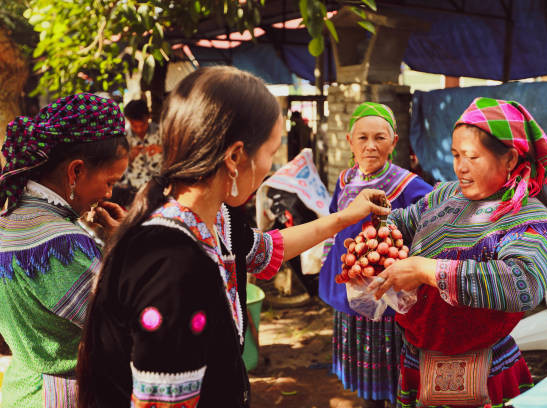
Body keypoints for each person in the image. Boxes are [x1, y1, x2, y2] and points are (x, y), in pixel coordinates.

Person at [76, 66, 390, 408]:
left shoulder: (219, 220)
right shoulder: (173, 264)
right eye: (271, 153)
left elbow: (267, 249)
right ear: (236, 156)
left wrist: (345, 217)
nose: (271, 167)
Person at [370, 97, 547, 408]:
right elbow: (403, 222)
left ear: (510, 159)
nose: (460, 167)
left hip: (486, 371)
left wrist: (426, 270)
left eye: (473, 156)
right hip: (418, 359)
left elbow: (523, 285)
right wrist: (376, 236)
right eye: (456, 155)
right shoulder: (445, 196)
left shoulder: (531, 220)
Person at [0, 93, 129, 407]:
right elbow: (125, 322)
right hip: (64, 397)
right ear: (75, 172)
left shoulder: (9, 223)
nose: (109, 193)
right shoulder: (63, 245)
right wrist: (128, 245)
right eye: (110, 181)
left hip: (20, 390)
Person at [319, 102, 432, 407]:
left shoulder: (408, 185)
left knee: (394, 379)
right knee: (366, 385)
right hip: (349, 294)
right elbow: (333, 222)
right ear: (349, 142)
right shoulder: (344, 181)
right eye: (362, 138)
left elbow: (435, 224)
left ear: (394, 142)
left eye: (380, 138)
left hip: (388, 300)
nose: (370, 146)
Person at [121, 99, 162, 191]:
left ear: (148, 117)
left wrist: (161, 149)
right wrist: (130, 156)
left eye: (143, 125)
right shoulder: (124, 136)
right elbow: (119, 164)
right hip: (135, 185)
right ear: (128, 120)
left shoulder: (160, 131)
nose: (139, 130)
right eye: (134, 126)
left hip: (159, 182)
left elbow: (172, 154)